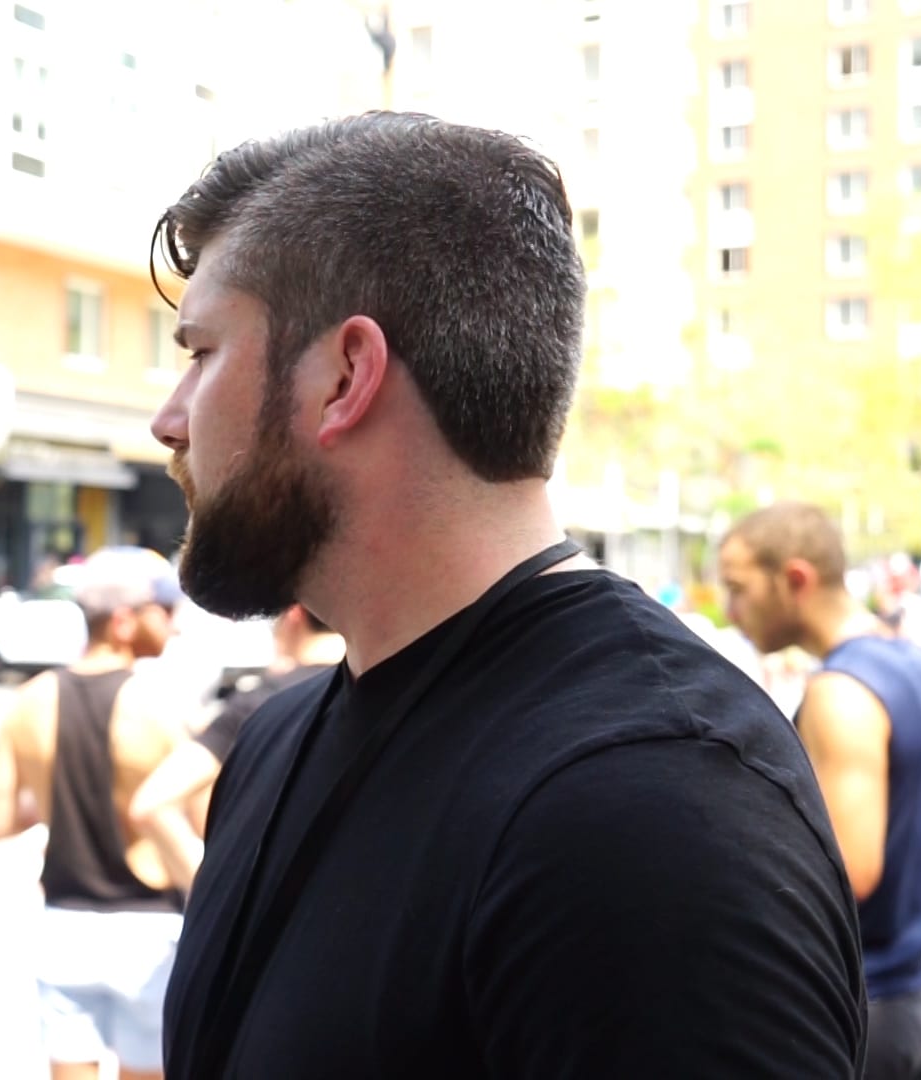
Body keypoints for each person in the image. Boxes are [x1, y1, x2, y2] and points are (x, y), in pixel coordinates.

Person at [143, 112, 864, 1077]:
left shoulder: (649, 813)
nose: (169, 421)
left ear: (346, 376)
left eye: (200, 355)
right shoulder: (276, 742)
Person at [719, 502, 921, 1080]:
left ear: (795, 579)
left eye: (738, 589)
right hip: (909, 1002)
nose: (730, 611)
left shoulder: (840, 691)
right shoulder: (911, 663)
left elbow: (850, 868)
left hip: (862, 1010)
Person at [0, 547, 189, 1080]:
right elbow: (205, 820)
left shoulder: (29, 700)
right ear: (123, 621)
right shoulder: (158, 705)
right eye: (162, 610)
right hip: (148, 926)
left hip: (64, 922)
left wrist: (52, 794)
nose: (173, 622)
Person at [128, 604, 343, 892]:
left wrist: (214, 894)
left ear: (295, 614)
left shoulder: (262, 702)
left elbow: (152, 804)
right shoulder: (393, 698)